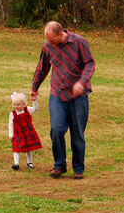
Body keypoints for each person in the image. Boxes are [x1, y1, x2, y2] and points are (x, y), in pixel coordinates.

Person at [31, 21, 95, 180]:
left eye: (52, 40)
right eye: (48, 40)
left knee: (77, 133)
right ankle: (59, 165)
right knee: (57, 129)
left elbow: (90, 63)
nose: (49, 43)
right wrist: (34, 87)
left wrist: (82, 82)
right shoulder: (48, 47)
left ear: (61, 34)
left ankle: (78, 168)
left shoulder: (79, 42)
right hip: (57, 94)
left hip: (78, 96)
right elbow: (42, 67)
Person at [9, 91, 42, 170]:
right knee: (16, 148)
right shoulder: (13, 113)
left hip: (28, 132)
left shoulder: (28, 110)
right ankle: (16, 163)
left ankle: (30, 162)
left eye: (18, 104)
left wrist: (34, 100)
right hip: (18, 133)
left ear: (24, 104)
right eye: (14, 104)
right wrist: (11, 134)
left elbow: (36, 108)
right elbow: (11, 124)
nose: (16, 106)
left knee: (28, 148)